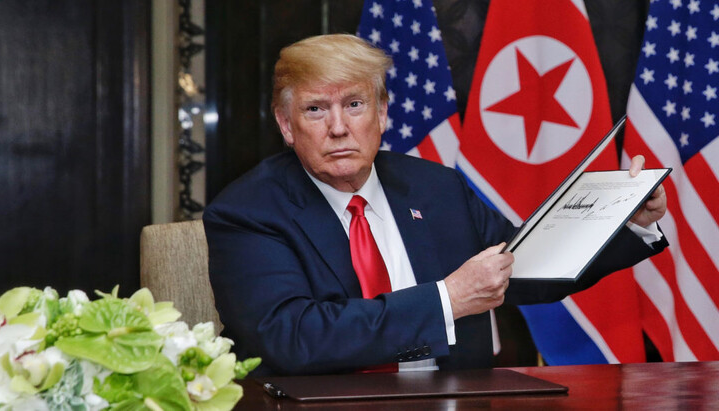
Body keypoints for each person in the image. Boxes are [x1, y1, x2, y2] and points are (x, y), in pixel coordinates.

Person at [203, 34, 668, 376]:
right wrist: (448, 299)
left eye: (355, 104)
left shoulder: (435, 188)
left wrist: (626, 222)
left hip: (451, 400)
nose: (339, 127)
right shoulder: (248, 211)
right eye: (316, 110)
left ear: (383, 113)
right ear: (286, 125)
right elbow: (293, 337)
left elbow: (526, 268)